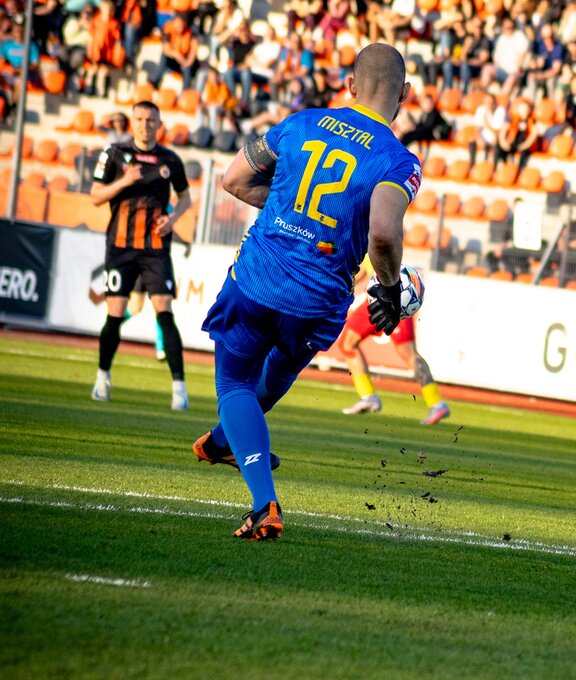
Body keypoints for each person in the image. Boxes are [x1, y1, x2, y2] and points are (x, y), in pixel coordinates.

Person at [193, 44, 420, 541]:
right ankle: (224, 440)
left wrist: (285, 209)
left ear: (351, 85)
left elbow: (234, 180)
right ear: (405, 93)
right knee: (277, 372)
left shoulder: (301, 122)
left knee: (234, 384)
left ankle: (264, 505)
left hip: (259, 276)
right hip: (319, 298)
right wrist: (388, 289)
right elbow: (383, 234)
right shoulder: (398, 160)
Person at [90, 101, 193, 411]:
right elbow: (95, 196)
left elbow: (185, 198)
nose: (145, 124)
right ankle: (102, 378)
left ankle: (179, 389)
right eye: (139, 119)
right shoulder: (114, 154)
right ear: (131, 122)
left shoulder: (170, 159)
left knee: (164, 310)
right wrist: (124, 181)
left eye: (150, 120)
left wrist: (172, 220)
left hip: (155, 248)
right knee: (116, 313)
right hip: (120, 246)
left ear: (158, 124)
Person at [340, 266, 450, 425]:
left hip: (394, 299)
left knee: (408, 353)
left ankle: (436, 403)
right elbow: (365, 269)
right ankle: (368, 396)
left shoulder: (373, 249)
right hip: (379, 298)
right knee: (347, 344)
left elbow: (372, 266)